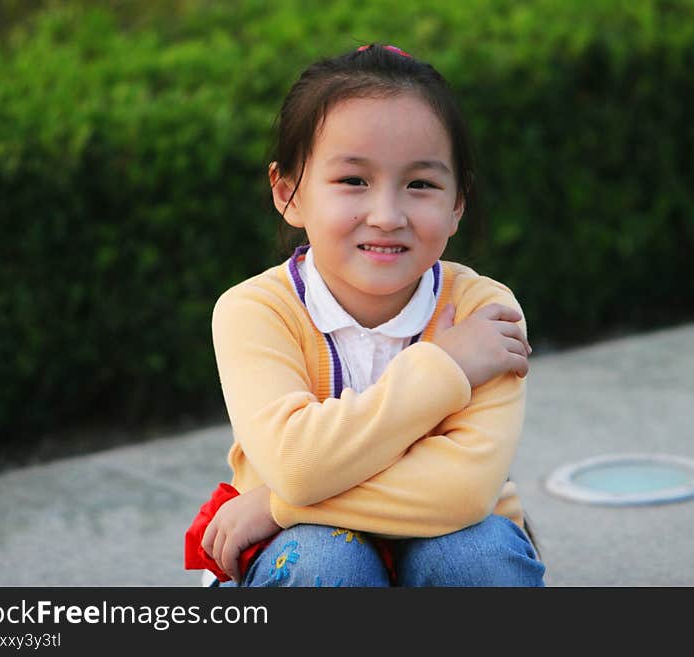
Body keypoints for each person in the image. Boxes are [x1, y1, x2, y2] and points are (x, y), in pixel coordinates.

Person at [189, 43, 546, 587]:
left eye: (421, 184)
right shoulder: (255, 311)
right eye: (353, 180)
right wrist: (443, 367)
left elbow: (463, 493)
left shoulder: (482, 311)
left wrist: (278, 506)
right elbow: (296, 463)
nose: (387, 215)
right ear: (288, 193)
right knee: (323, 564)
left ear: (457, 203)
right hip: (305, 550)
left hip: (448, 536)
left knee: (477, 555)